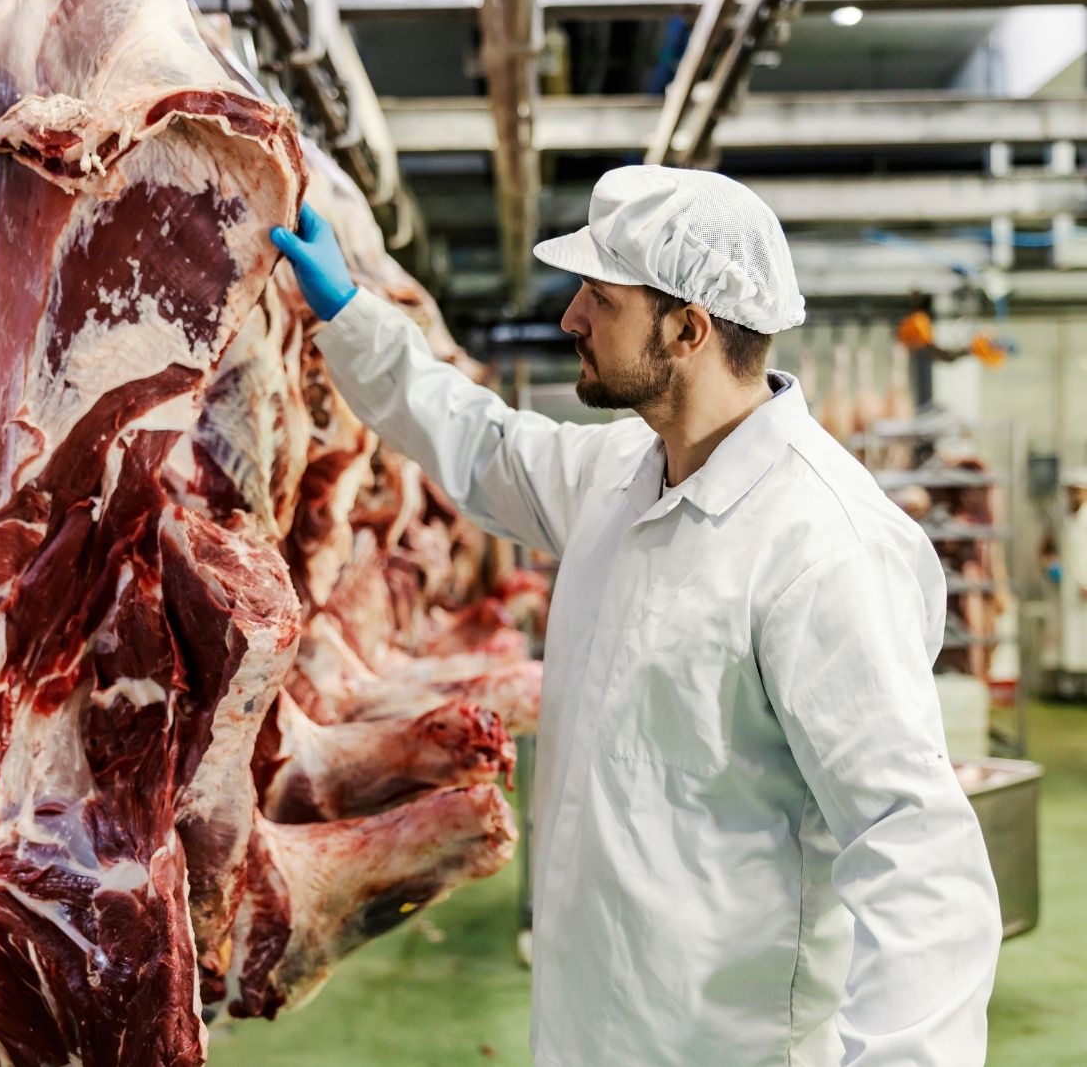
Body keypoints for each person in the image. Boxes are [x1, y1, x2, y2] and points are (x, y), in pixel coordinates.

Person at [271, 165, 1000, 1067]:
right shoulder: (620, 474)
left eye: (599, 297)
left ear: (688, 329)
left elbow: (914, 853)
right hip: (585, 1029)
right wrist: (350, 314)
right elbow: (482, 443)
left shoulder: (822, 547)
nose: (571, 317)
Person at [1060, 468, 1087, 673]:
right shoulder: (1060, 516)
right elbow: (1047, 546)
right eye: (1072, 491)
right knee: (1068, 637)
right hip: (1066, 585)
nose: (1075, 495)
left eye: (1079, 490)